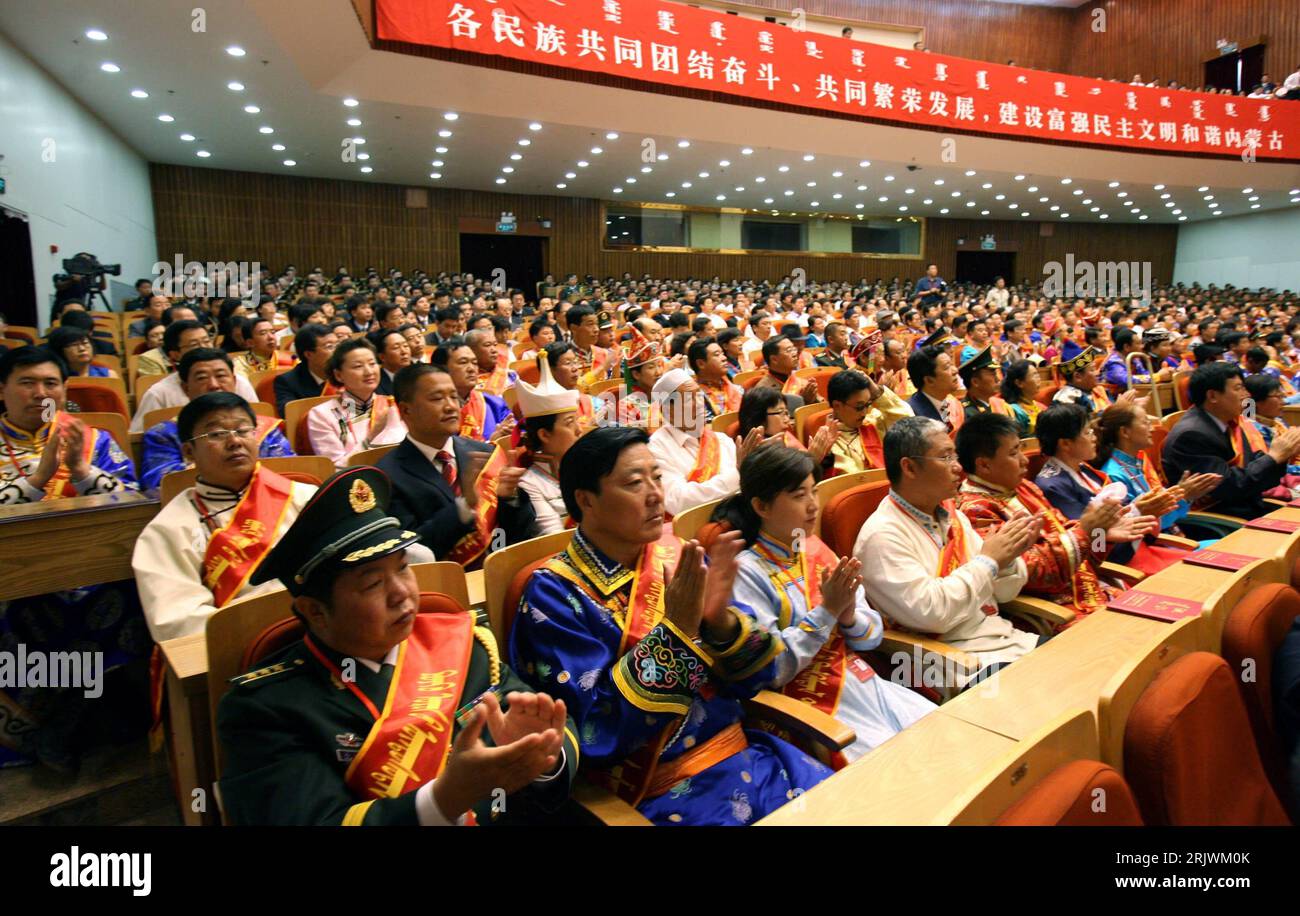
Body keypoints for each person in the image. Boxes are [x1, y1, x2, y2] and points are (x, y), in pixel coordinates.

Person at [215, 466, 577, 825]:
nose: (402, 593)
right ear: (316, 611)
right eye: (373, 584)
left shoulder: (462, 643)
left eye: (403, 568)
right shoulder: (267, 709)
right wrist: (441, 801)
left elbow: (549, 735)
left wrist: (542, 756)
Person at [510, 426, 832, 825]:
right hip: (655, 793)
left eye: (657, 477)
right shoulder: (553, 595)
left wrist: (722, 625)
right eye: (633, 482)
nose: (655, 495)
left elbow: (755, 679)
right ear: (585, 499)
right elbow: (594, 731)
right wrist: (675, 631)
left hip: (747, 756)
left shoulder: (678, 555)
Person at [721, 446, 935, 762]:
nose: (812, 506)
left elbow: (871, 636)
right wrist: (828, 612)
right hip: (805, 704)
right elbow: (771, 668)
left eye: (814, 492)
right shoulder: (746, 572)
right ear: (761, 506)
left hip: (860, 682)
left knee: (946, 736)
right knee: (901, 770)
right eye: (798, 496)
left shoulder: (816, 550)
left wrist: (849, 617)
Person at [0, 347, 146, 770]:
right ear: (3, 390)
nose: (40, 393)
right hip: (12, 578)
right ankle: (51, 726)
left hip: (93, 570)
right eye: (27, 383)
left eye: (51, 383)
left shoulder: (92, 438)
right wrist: (38, 479)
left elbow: (133, 501)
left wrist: (81, 470)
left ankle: (82, 717)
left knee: (133, 595)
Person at [855, 417, 1040, 682]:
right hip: (953, 663)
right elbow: (933, 614)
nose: (959, 468)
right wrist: (989, 561)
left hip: (1001, 640)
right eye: (945, 458)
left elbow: (1004, 594)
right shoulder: (882, 536)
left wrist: (1007, 558)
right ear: (909, 467)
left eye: (955, 456)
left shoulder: (953, 516)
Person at [133, 393, 317, 640]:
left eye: (243, 430)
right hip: (248, 651)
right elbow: (178, 622)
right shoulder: (169, 529)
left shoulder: (305, 498)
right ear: (188, 451)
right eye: (216, 434)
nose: (234, 441)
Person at [955, 413, 1156, 625]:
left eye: (1021, 450)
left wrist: (1101, 534)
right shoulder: (975, 511)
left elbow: (1073, 537)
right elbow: (1031, 573)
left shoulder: (1024, 486)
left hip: (1088, 587)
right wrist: (1087, 530)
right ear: (984, 465)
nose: (1025, 461)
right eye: (1014, 453)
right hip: (1054, 608)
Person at [377, 363, 536, 567]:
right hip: (447, 586)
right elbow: (413, 553)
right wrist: (463, 506)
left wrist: (509, 499)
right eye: (437, 398)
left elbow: (521, 533)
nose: (451, 406)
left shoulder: (485, 454)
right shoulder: (387, 476)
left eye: (454, 397)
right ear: (406, 410)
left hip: (502, 571)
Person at [140, 351, 294, 493]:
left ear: (234, 381)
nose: (214, 384)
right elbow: (162, 486)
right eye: (202, 378)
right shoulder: (163, 434)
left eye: (221, 376)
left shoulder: (264, 427)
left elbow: (289, 471)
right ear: (185, 388)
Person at [1161, 362, 1300, 520]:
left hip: (1247, 504)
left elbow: (1252, 464)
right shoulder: (1191, 435)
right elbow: (1231, 487)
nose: (1247, 394)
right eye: (1238, 388)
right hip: (1216, 518)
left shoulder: (1230, 420)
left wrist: (1284, 453)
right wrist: (1274, 456)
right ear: (1212, 396)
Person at [1095, 401, 1222, 547]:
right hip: (1152, 547)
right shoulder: (1113, 477)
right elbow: (1139, 527)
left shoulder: (1138, 462)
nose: (1152, 429)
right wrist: (1182, 496)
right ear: (1125, 432)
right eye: (1145, 423)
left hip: (1172, 537)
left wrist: (1184, 495)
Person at [647, 368, 747, 518]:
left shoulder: (721, 439)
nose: (699, 404)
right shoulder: (656, 448)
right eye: (688, 399)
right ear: (668, 409)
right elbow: (678, 501)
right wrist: (737, 475)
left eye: (699, 396)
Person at [130, 326, 259, 432]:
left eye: (206, 341)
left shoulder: (239, 382)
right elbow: (137, 437)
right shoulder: (158, 393)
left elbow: (259, 424)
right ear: (175, 354)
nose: (203, 347)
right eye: (194, 344)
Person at [306, 338, 407, 467]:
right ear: (338, 375)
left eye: (372, 364)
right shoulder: (321, 415)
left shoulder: (391, 404)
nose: (369, 372)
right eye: (358, 366)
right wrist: (372, 435)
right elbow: (335, 468)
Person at [516, 358, 582, 535]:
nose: (579, 430)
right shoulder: (530, 484)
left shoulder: (590, 463)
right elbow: (554, 539)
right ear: (544, 434)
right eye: (569, 423)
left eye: (577, 420)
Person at [825, 368, 912, 476]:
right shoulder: (829, 440)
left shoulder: (873, 421)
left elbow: (908, 422)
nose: (864, 412)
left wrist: (877, 392)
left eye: (868, 405)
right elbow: (853, 481)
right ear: (837, 405)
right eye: (859, 407)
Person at [431, 338, 512, 443]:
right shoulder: (432, 410)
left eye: (474, 363)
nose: (471, 369)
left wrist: (505, 435)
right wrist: (490, 444)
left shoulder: (494, 404)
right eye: (463, 362)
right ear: (441, 369)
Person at [273, 324, 339, 417]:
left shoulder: (346, 373)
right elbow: (290, 415)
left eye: (338, 345)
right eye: (330, 347)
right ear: (309, 354)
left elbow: (354, 412)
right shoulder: (287, 381)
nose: (338, 351)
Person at [905, 340, 964, 434]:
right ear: (929, 380)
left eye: (952, 364)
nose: (955, 371)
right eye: (946, 367)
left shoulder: (953, 403)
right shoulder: (911, 414)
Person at [1052, 340, 1112, 415]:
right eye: (1092, 370)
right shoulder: (1067, 399)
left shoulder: (1100, 390)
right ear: (1078, 377)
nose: (1097, 373)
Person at [689, 337, 742, 420]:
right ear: (701, 364)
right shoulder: (693, 396)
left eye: (723, 354)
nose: (724, 358)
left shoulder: (736, 388)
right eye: (717, 355)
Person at [958, 346, 1012, 421]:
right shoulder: (964, 413)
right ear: (975, 382)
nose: (997, 379)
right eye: (992, 375)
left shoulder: (1000, 404)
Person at [45, 325, 115, 378]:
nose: (82, 348)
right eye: (74, 345)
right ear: (60, 350)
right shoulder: (53, 378)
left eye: (85, 343)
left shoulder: (109, 375)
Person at [467, 327, 515, 397]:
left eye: (495, 345)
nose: (494, 350)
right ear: (470, 350)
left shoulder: (511, 375)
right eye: (487, 345)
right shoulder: (464, 381)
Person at [1001, 359, 1043, 436]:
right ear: (1019, 383)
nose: (1039, 379)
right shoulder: (1014, 411)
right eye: (1034, 375)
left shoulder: (1039, 405)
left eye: (1038, 374)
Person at [368, 327, 412, 397]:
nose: (404, 351)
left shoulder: (419, 375)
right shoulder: (374, 384)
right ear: (382, 357)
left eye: (405, 346)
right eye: (396, 347)